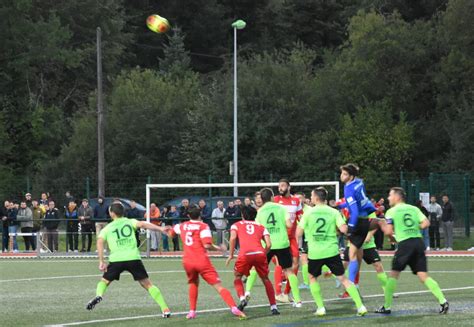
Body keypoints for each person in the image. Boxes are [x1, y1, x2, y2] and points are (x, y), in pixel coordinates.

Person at [86, 202, 172, 318]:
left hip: (116, 260)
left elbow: (100, 242)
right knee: (147, 284)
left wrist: (101, 261)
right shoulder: (130, 222)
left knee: (104, 281)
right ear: (123, 212)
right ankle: (165, 308)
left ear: (111, 213)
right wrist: (160, 228)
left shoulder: (108, 228)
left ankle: (99, 295)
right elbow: (143, 224)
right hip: (133, 258)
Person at [376, 187, 449, 315]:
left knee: (393, 274)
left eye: (390, 195)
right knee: (423, 276)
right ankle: (443, 301)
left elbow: (388, 231)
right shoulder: (414, 209)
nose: (388, 198)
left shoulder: (391, 211)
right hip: (418, 243)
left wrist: (391, 236)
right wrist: (415, 228)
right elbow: (426, 223)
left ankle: (386, 307)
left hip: (405, 244)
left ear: (397, 197)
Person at [296, 187, 367, 317]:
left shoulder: (308, 213)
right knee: (344, 279)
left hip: (315, 252)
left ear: (317, 198)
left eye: (311, 196)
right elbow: (344, 229)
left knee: (312, 278)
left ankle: (321, 308)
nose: (310, 199)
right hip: (332, 251)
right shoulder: (333, 212)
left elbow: (298, 233)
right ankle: (360, 306)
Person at [168, 206, 246, 320]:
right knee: (218, 287)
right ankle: (234, 308)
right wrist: (220, 248)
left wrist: (170, 230)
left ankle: (192, 312)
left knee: (193, 283)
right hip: (201, 260)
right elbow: (207, 245)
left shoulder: (182, 225)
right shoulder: (203, 226)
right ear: (200, 215)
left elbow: (171, 234)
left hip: (188, 261)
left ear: (188, 215)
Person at [256, 188, 302, 307]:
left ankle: (246, 293)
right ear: (272, 197)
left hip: (267, 244)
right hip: (282, 243)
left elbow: (257, 229)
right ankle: (298, 301)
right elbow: (289, 224)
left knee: (258, 270)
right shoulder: (281, 208)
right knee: (289, 271)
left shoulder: (260, 211)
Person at [226, 213, 279, 315]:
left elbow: (232, 238)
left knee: (238, 277)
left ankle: (242, 298)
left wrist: (231, 255)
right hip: (259, 253)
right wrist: (263, 253)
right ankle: (274, 307)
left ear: (242, 215)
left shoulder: (236, 225)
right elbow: (269, 244)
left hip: (245, 254)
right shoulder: (261, 226)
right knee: (265, 279)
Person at [338, 163, 376, 284]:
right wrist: (340, 205)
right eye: (341, 173)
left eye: (345, 174)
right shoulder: (359, 182)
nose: (341, 176)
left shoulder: (348, 189)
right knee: (356, 255)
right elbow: (357, 201)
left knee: (352, 255)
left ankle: (350, 284)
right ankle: (353, 283)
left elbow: (354, 212)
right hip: (364, 220)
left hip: (358, 222)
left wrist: (350, 228)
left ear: (351, 176)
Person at [273, 179, 303, 302]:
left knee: (296, 263)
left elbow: (300, 217)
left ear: (289, 187)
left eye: (283, 185)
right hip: (279, 237)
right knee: (281, 264)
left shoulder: (296, 201)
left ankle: (286, 292)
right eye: (279, 186)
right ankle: (278, 293)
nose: (280, 188)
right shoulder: (275, 200)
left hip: (292, 238)